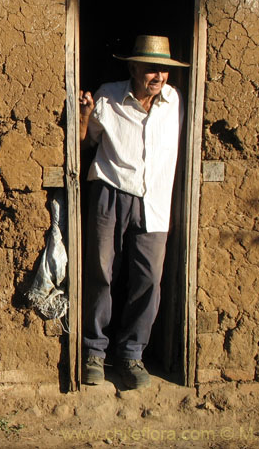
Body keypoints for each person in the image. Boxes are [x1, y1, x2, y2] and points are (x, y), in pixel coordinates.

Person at [78, 34, 188, 389]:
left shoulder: (175, 102)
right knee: (101, 272)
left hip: (155, 198)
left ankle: (131, 355)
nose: (158, 76)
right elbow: (85, 141)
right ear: (133, 67)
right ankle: (95, 351)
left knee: (148, 280)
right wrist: (82, 116)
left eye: (165, 70)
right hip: (110, 192)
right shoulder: (108, 96)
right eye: (151, 68)